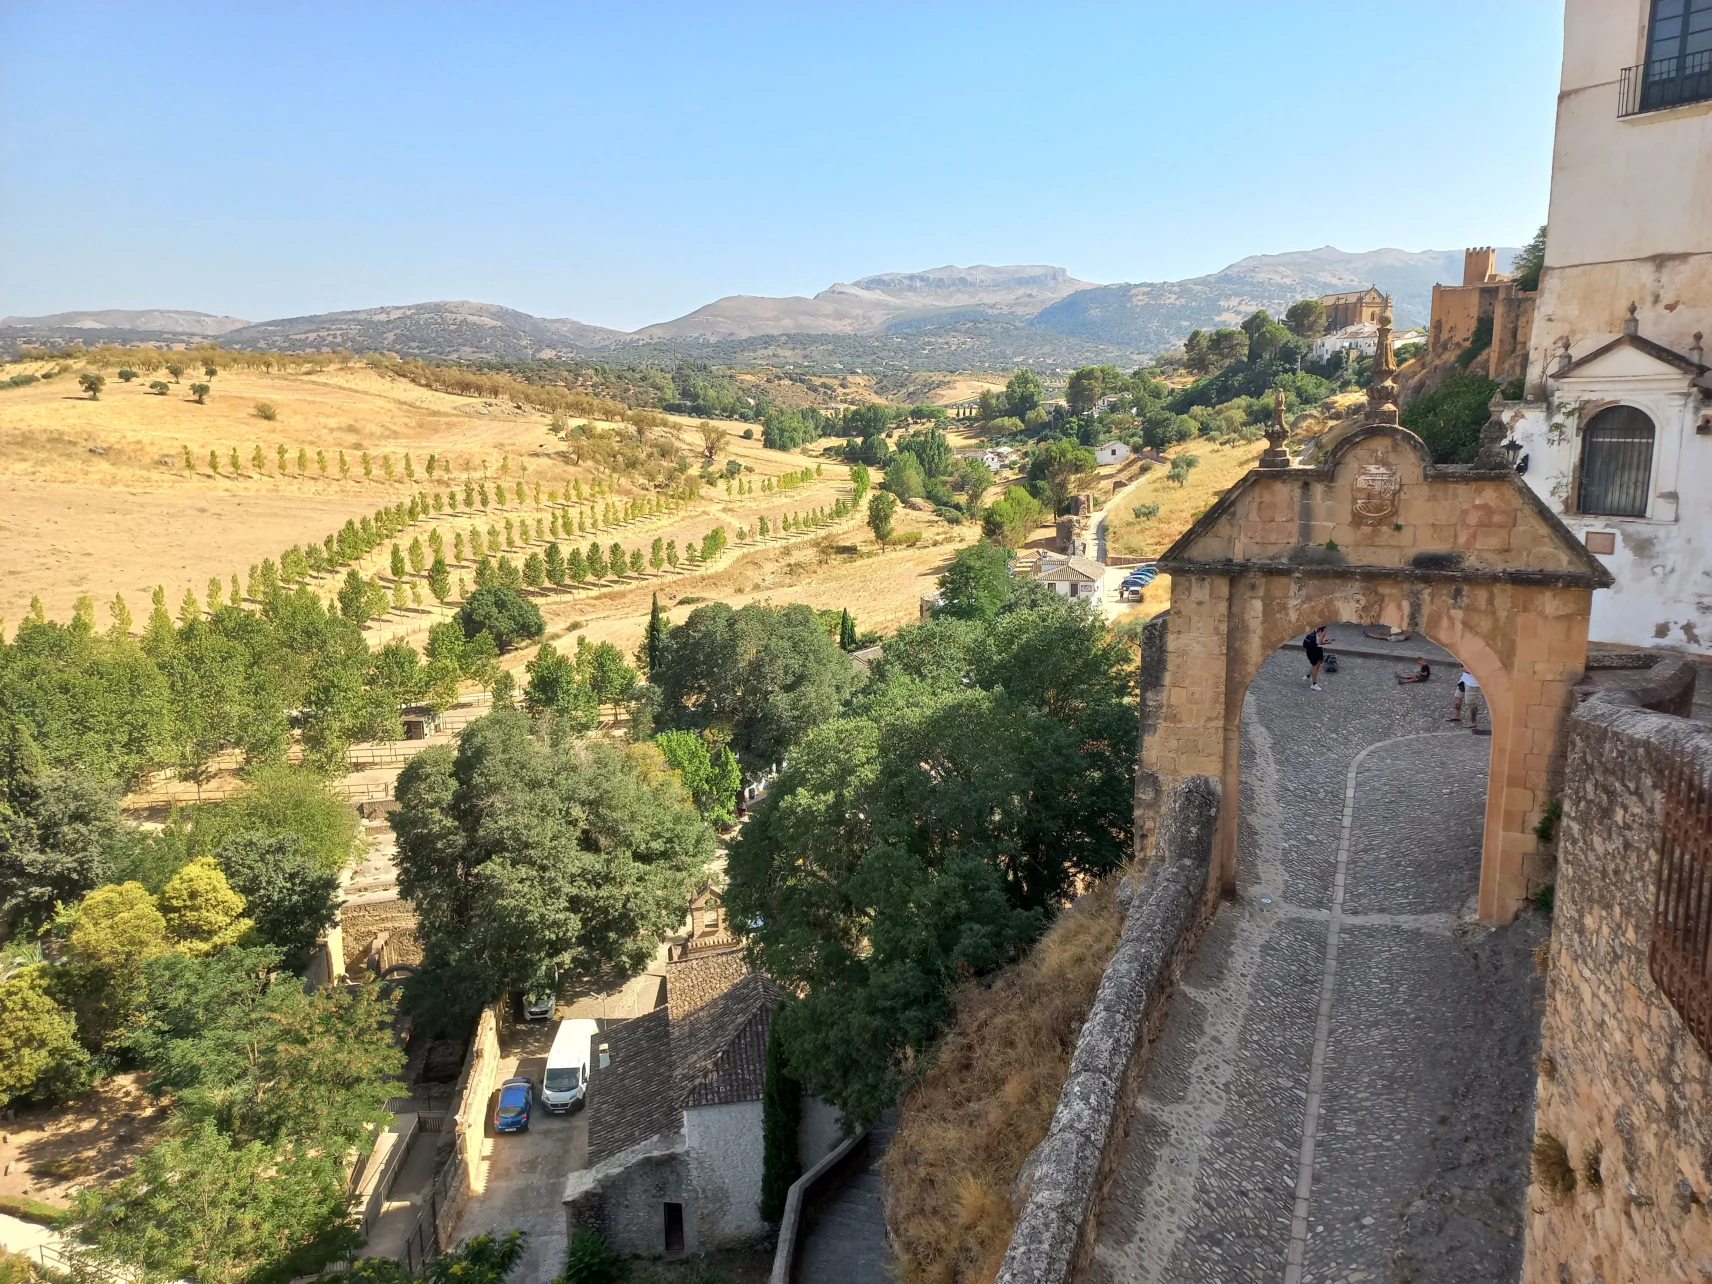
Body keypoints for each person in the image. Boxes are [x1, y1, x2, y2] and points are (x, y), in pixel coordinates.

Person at [1303, 626, 1328, 691]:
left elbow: (1318, 640)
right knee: (1315, 665)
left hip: (1315, 649)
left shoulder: (1317, 629)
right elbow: (1320, 642)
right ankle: (1314, 684)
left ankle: (1308, 675)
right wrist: (1327, 642)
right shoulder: (1322, 630)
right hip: (1314, 650)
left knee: (1318, 663)